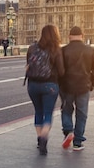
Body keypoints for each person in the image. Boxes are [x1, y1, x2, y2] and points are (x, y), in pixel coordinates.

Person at [59, 26, 94, 151]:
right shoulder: (91, 50)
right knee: (81, 114)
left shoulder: (62, 50)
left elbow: (58, 70)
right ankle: (77, 142)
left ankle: (68, 131)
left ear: (69, 37)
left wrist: (61, 84)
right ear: (82, 36)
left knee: (66, 110)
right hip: (84, 86)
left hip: (67, 87)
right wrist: (91, 83)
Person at [25, 25, 65, 155]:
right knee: (48, 113)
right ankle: (44, 137)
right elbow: (61, 71)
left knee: (38, 111)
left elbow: (28, 66)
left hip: (33, 85)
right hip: (50, 85)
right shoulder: (56, 50)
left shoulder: (32, 48)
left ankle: (38, 138)